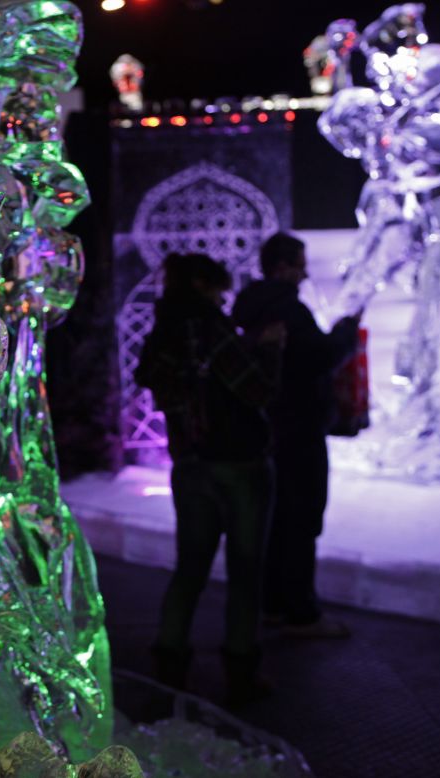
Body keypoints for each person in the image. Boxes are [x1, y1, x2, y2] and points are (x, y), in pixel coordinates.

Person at [135, 253, 284, 705]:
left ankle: (170, 667)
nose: (223, 298)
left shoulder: (161, 336)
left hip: (190, 464)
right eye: (219, 290)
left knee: (190, 570)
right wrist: (270, 349)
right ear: (203, 285)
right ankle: (241, 671)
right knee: (244, 570)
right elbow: (258, 390)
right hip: (239, 465)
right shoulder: (212, 330)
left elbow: (156, 383)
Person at [233, 233, 360, 639]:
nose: (305, 272)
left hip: (268, 429)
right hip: (299, 430)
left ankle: (273, 605)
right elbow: (318, 358)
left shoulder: (254, 308)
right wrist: (345, 334)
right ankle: (301, 613)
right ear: (284, 266)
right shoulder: (288, 310)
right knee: (301, 519)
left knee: (277, 519)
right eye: (300, 264)